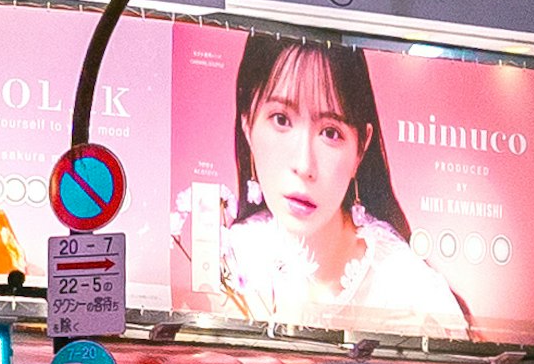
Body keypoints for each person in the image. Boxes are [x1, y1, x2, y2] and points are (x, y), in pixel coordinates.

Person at [173, 31, 476, 338]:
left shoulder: (411, 294)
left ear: (361, 146)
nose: (304, 165)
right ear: (248, 124)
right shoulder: (231, 260)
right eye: (281, 119)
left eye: (330, 132)